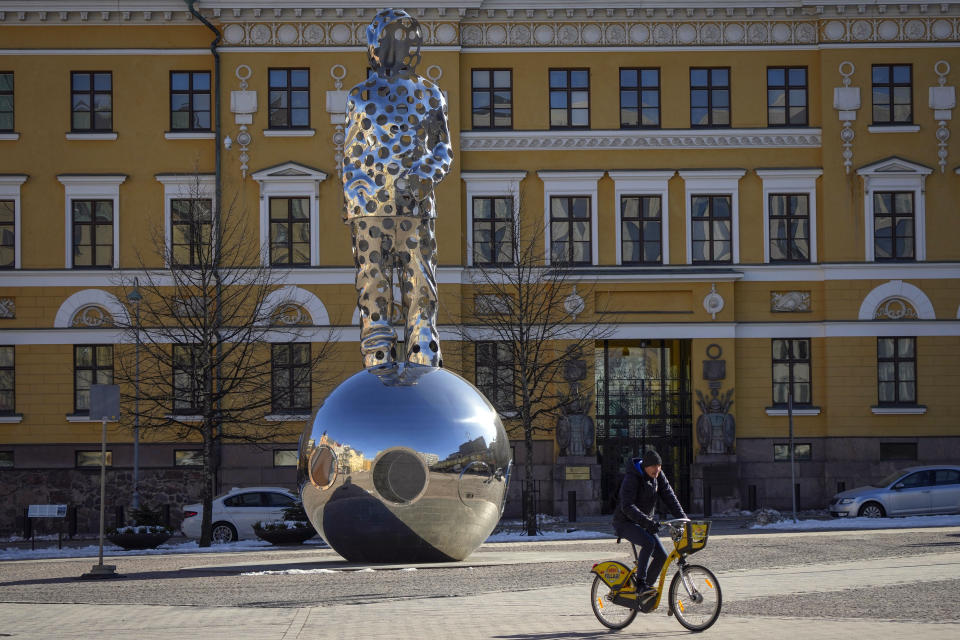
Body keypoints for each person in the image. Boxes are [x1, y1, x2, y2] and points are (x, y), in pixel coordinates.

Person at [341, 8, 453, 370]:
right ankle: (377, 359)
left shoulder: (430, 95)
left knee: (420, 285)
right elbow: (351, 153)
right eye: (391, 39)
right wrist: (355, 200)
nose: (398, 46)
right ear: (376, 45)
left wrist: (424, 176)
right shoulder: (360, 96)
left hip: (415, 207)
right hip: (371, 209)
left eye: (405, 38)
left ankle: (424, 354)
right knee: (373, 287)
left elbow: (443, 149)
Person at [612, 448, 688, 599]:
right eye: (653, 467)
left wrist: (684, 519)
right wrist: (646, 522)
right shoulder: (632, 477)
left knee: (662, 555)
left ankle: (646, 591)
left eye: (659, 466)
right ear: (645, 466)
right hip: (624, 522)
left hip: (644, 522)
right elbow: (627, 506)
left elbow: (669, 496)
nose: (657, 470)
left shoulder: (658, 476)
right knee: (648, 543)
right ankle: (640, 584)